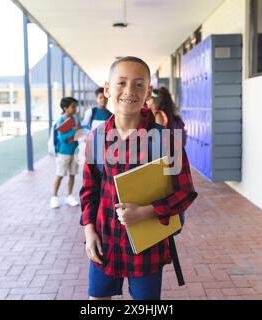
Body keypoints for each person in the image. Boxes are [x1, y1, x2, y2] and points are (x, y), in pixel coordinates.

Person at [79, 56, 198, 300]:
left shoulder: (166, 140)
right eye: (121, 83)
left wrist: (146, 212)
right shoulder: (97, 138)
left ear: (148, 92)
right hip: (105, 240)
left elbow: (185, 193)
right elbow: (89, 191)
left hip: (147, 247)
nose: (129, 91)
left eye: (138, 84)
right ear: (108, 89)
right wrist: (89, 232)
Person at [50, 97, 81, 209]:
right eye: (72, 107)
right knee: (60, 175)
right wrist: (74, 131)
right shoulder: (61, 120)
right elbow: (62, 138)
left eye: (75, 107)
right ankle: (54, 197)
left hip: (74, 152)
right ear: (65, 108)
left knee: (72, 174)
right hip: (63, 153)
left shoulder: (76, 119)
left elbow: (80, 133)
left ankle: (69, 196)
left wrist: (76, 131)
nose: (75, 109)